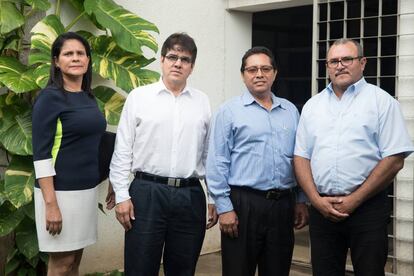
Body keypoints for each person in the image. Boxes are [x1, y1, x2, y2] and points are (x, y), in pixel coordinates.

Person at [294, 38, 414, 276]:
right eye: (334, 61)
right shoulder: (312, 106)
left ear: (362, 62)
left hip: (367, 209)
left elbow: (394, 158)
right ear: (327, 66)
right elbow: (301, 157)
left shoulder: (382, 102)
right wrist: (315, 200)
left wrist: (355, 199)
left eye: (347, 59)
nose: (340, 65)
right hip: (322, 210)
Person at [109, 32, 217, 276]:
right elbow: (122, 150)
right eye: (172, 57)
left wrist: (213, 197)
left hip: (190, 196)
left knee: (183, 268)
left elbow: (209, 155)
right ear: (162, 60)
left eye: (185, 59)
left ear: (192, 66)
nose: (178, 63)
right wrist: (122, 196)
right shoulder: (139, 98)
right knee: (140, 268)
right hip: (146, 194)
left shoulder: (202, 102)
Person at [206, 46, 309, 276]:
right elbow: (217, 161)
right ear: (243, 75)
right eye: (252, 69)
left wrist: (300, 200)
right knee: (238, 270)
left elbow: (299, 158)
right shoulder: (229, 111)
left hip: (283, 206)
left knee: (278, 270)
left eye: (265, 68)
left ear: (275, 73)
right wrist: (224, 208)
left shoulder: (290, 111)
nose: (259, 74)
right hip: (243, 205)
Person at [32, 32, 107, 275]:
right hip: (59, 194)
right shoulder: (49, 98)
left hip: (85, 192)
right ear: (56, 61)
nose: (75, 58)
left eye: (80, 53)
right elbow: (41, 154)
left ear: (88, 59)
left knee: (74, 262)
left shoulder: (88, 97)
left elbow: (96, 142)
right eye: (68, 54)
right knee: (61, 264)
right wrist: (51, 204)